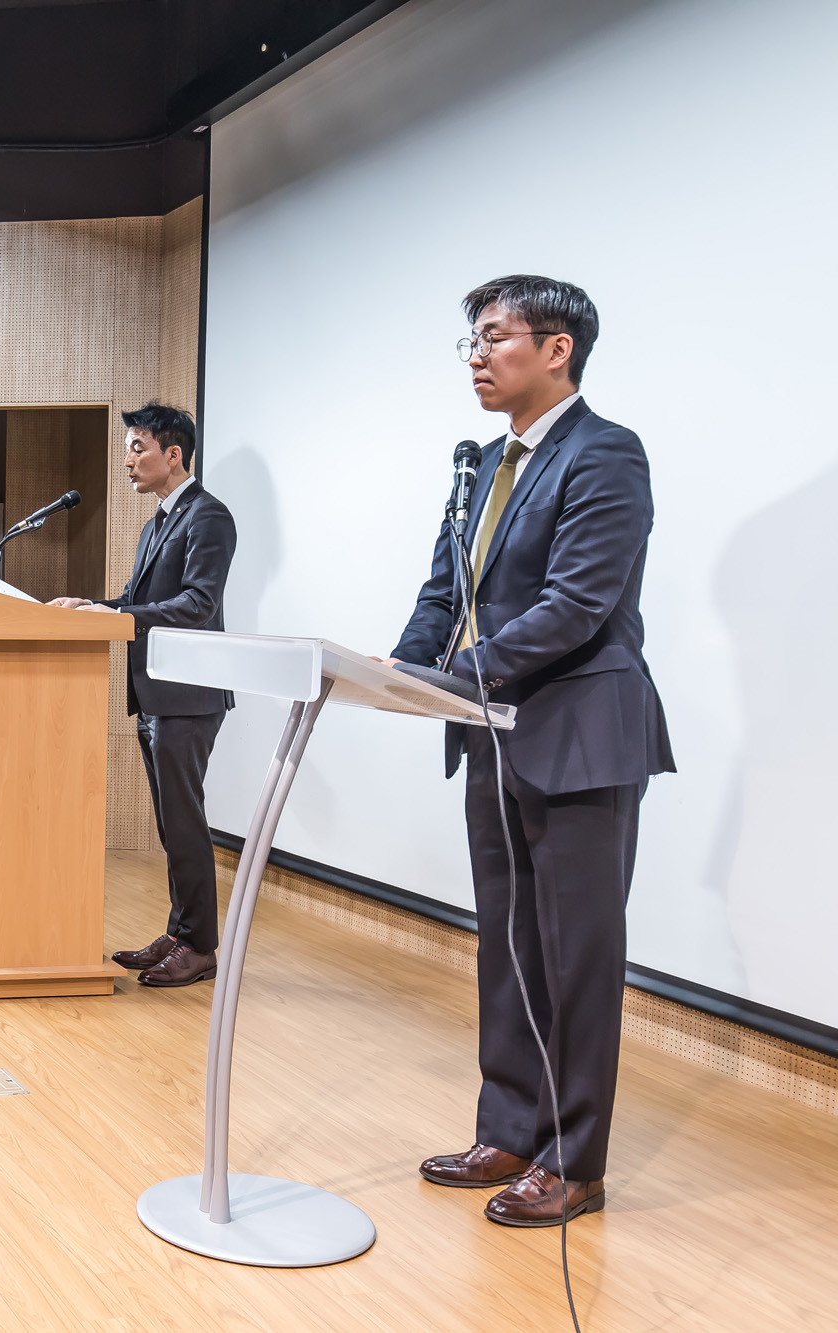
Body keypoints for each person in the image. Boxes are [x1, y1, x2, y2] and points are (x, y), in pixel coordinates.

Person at [389, 275, 672, 1228]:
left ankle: (574, 1161)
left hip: (582, 738)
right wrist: (399, 669)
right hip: (495, 734)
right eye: (471, 339)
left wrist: (460, 671)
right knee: (507, 948)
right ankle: (509, 1129)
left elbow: (579, 604)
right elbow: (446, 591)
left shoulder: (606, 454)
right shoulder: (478, 464)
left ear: (557, 349)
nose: (477, 354)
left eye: (495, 336)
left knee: (577, 957)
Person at [51, 402, 236, 989]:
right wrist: (93, 606)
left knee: (185, 822)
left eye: (138, 447)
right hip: (155, 691)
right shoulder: (157, 522)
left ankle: (202, 946)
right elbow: (136, 596)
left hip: (189, 693)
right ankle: (181, 932)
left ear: (172, 454)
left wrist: (114, 612)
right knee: (169, 823)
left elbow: (197, 605)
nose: (127, 459)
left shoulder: (209, 517)